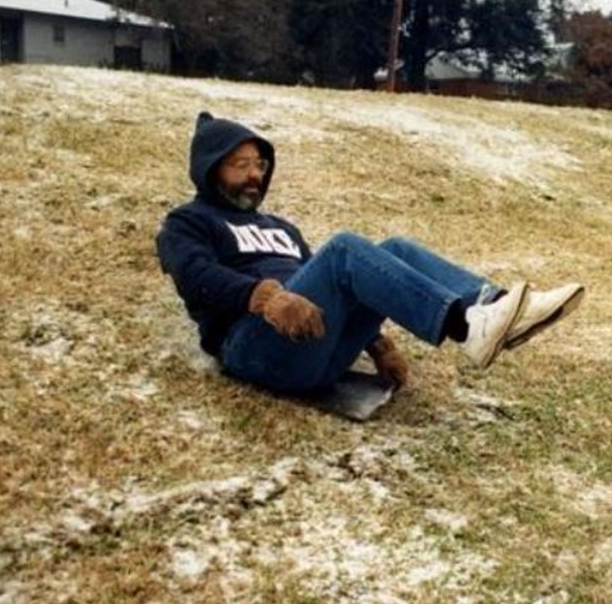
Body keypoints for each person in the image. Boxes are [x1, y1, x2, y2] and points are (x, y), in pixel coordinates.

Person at [157, 112, 584, 397]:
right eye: (241, 164)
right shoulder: (188, 221)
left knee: (393, 248)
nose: (255, 175)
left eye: (260, 165)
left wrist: (378, 347)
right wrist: (265, 298)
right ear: (211, 169)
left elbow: (340, 291)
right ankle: (468, 327)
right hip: (255, 350)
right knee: (345, 249)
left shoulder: (281, 228)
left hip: (315, 352)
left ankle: (492, 307)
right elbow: (193, 274)